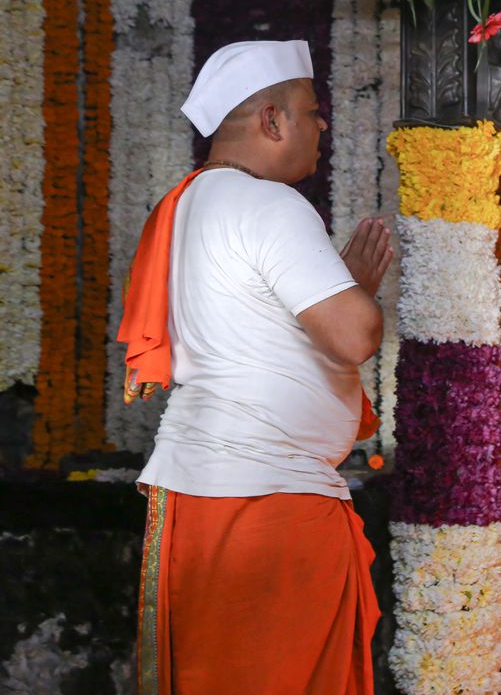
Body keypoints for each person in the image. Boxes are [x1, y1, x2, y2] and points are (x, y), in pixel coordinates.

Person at [119, 40, 392, 694]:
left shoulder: (184, 205)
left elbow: (259, 329)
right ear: (272, 121)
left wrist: (341, 286)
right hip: (265, 502)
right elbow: (354, 336)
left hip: (206, 492)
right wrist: (357, 293)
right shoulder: (269, 205)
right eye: (310, 110)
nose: (322, 125)